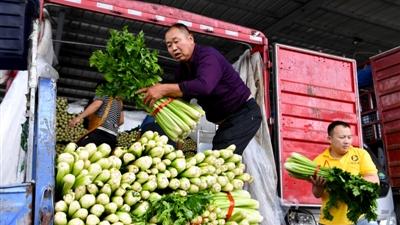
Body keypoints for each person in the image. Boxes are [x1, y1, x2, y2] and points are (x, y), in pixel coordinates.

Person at [137, 23, 261, 155]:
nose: (173, 48)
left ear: (190, 39)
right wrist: (155, 94)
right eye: (169, 45)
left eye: (176, 41)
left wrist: (163, 89)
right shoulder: (182, 71)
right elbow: (181, 96)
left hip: (244, 113)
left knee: (220, 158)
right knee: (219, 156)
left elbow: (204, 86)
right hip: (225, 122)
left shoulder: (208, 56)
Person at [310, 120, 379, 225]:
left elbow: (374, 181)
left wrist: (349, 184)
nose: (347, 141)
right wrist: (318, 186)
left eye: (349, 137)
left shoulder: (361, 154)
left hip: (360, 219)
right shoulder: (319, 161)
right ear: (330, 139)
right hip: (330, 221)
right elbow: (317, 194)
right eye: (342, 137)